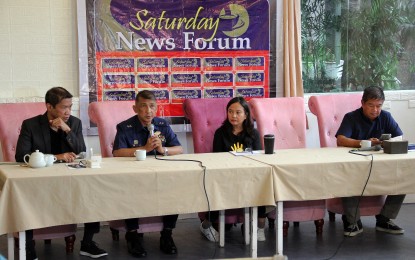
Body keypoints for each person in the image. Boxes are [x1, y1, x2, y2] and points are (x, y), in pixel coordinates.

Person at [15, 87, 108, 259]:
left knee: (93, 191)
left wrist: (67, 130)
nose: (67, 112)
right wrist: (56, 157)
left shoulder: (74, 123)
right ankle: (28, 246)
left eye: (70, 107)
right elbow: (21, 156)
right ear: (49, 107)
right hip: (40, 180)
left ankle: (87, 243)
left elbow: (81, 151)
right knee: (23, 197)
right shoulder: (31, 124)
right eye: (63, 107)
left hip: (69, 178)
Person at [112, 90, 183, 257]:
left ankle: (167, 233)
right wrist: (144, 149)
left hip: (160, 174)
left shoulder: (163, 125)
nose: (148, 111)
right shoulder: (125, 127)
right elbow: (117, 152)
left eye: (152, 106)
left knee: (174, 189)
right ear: (135, 108)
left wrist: (162, 149)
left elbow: (179, 149)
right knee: (131, 191)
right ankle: (133, 234)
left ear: (156, 108)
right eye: (143, 106)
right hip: (135, 176)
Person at [336, 86, 406, 237]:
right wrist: (363, 142)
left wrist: (384, 143)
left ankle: (384, 218)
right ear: (362, 103)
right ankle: (352, 220)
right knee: (346, 177)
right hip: (354, 165)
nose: (375, 110)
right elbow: (340, 139)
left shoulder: (386, 117)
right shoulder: (351, 117)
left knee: (405, 177)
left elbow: (399, 137)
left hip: (381, 165)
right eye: (371, 105)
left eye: (379, 106)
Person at [199, 97, 267, 242]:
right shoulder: (220, 133)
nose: (233, 116)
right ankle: (206, 225)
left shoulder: (253, 134)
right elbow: (217, 160)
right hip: (226, 177)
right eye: (230, 112)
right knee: (216, 189)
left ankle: (259, 226)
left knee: (262, 187)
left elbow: (259, 158)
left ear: (246, 114)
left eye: (238, 112)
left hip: (249, 176)